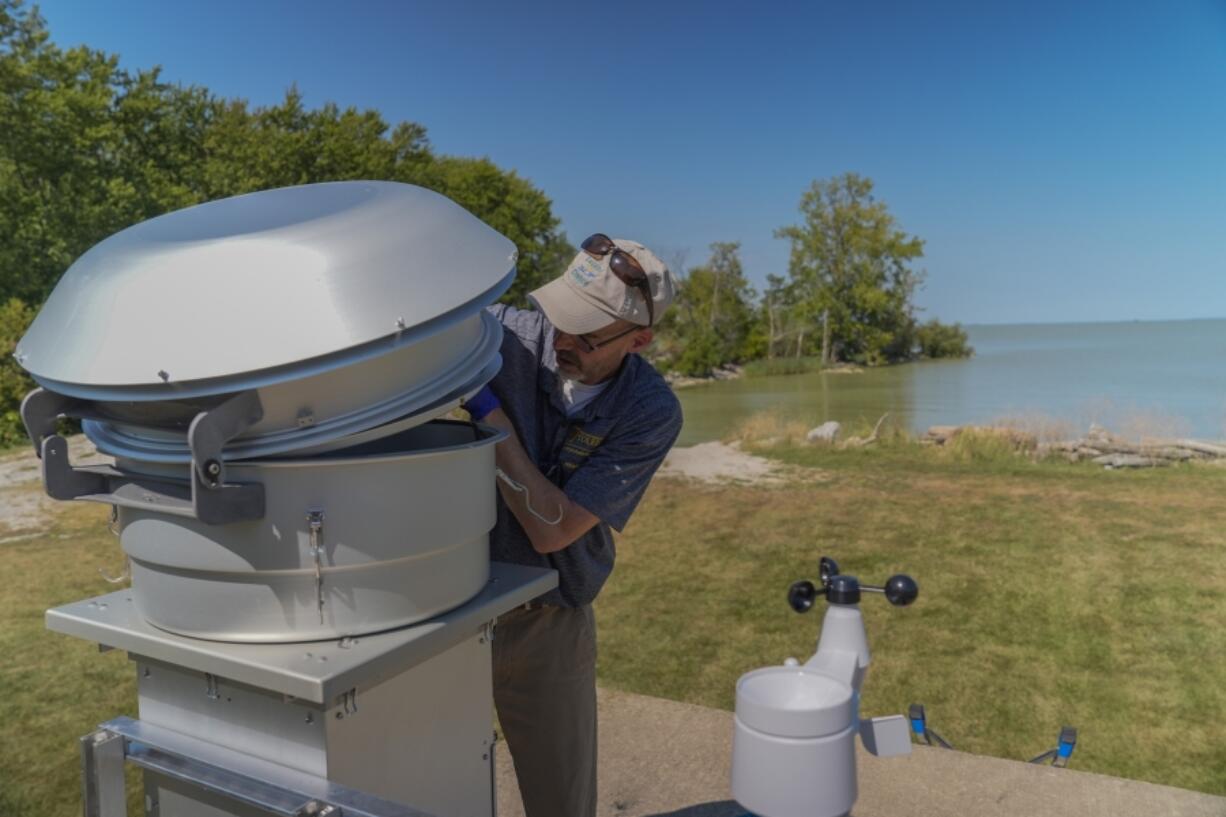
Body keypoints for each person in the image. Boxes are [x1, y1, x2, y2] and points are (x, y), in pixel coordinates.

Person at [462, 233, 682, 817]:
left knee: (561, 801)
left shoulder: (650, 410)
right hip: (450, 605)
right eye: (557, 317)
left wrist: (489, 417)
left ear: (640, 339)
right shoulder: (502, 337)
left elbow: (553, 530)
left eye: (585, 335)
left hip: (549, 624)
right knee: (426, 786)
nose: (560, 339)